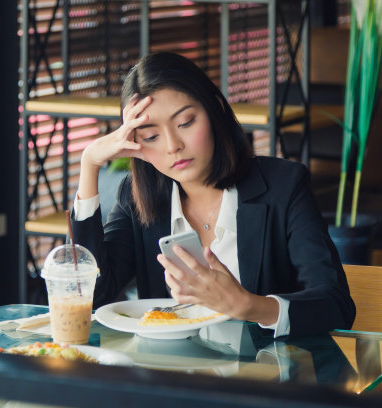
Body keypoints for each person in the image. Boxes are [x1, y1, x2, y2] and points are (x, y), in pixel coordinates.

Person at [71, 52, 355, 338]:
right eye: (151, 136)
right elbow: (95, 295)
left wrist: (249, 306)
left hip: (266, 375)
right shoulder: (138, 199)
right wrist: (89, 164)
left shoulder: (284, 187)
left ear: (216, 108)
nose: (173, 146)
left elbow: (336, 305)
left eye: (185, 123)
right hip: (170, 376)